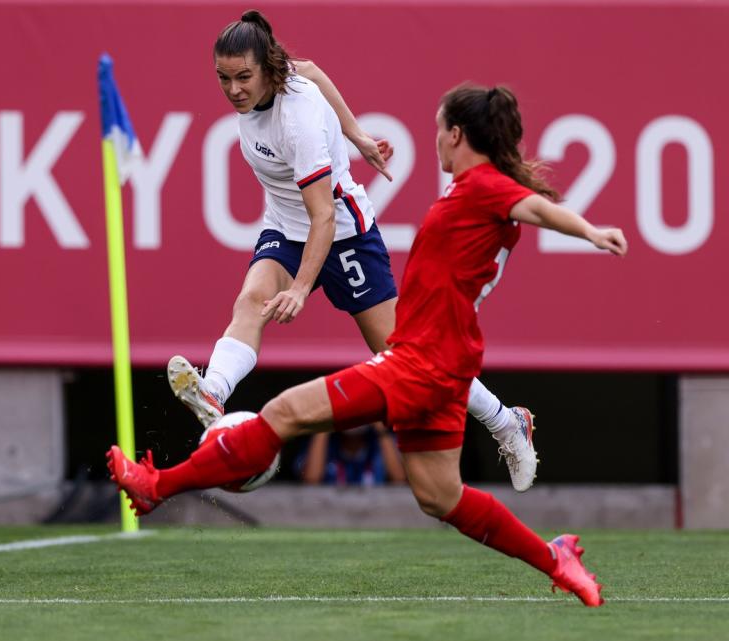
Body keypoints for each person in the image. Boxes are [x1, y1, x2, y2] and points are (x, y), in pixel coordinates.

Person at [109, 81, 627, 607]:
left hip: (419, 364)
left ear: (456, 134)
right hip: (445, 366)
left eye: (436, 131)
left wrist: (589, 230)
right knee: (439, 496)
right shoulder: (472, 188)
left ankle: (158, 485)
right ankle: (553, 556)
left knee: (283, 413)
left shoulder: (484, 187)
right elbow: (522, 209)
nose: (434, 143)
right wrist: (340, 118)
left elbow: (535, 209)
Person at [167, 10, 539, 492]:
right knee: (249, 302)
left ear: (267, 68)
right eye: (223, 78)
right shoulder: (286, 76)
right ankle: (213, 393)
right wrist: (358, 135)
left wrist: (301, 288)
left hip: (342, 235)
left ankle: (507, 421)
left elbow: (323, 215)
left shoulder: (295, 120)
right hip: (285, 227)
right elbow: (317, 70)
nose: (234, 89)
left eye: (243, 77)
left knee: (408, 354)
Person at [297, 423, 406, 486]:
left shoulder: (381, 445)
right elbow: (311, 480)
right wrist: (325, 425)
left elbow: (399, 480)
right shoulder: (324, 446)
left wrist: (380, 428)